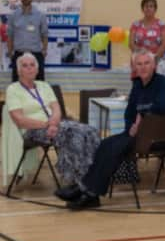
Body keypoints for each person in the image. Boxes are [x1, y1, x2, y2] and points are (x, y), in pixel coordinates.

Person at [55, 50, 165, 209]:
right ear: (135, 66)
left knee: (114, 148)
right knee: (105, 144)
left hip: (158, 135)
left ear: (154, 65)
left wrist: (142, 120)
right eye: (139, 64)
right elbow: (129, 113)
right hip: (137, 134)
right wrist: (131, 129)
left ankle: (86, 191)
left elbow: (164, 107)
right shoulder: (137, 85)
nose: (143, 67)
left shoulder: (164, 82)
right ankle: (89, 193)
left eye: (146, 63)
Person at [2, 53, 100, 187]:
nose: (30, 68)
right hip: (32, 130)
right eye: (25, 66)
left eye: (32, 65)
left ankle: (92, 173)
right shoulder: (13, 89)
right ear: (19, 71)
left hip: (55, 124)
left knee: (90, 131)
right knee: (72, 134)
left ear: (37, 69)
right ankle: (74, 180)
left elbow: (56, 108)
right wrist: (46, 124)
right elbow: (19, 120)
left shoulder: (44, 86)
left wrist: (53, 122)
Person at [7, 0, 48, 82]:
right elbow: (10, 36)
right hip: (18, 55)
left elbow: (44, 35)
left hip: (36, 55)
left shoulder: (40, 15)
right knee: (17, 84)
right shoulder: (13, 15)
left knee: (39, 84)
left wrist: (44, 51)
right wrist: (10, 53)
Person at [129, 0, 165, 75]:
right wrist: (142, 56)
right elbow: (131, 44)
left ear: (155, 9)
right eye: (146, 6)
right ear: (142, 9)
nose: (148, 8)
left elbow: (164, 44)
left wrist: (153, 59)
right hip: (140, 62)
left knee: (157, 85)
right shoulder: (135, 25)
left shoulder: (162, 25)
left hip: (157, 62)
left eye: (151, 6)